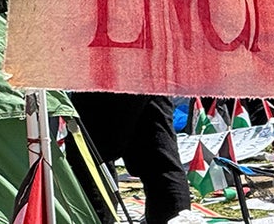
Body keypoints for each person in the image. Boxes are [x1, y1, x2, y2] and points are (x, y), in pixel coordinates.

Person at [71, 92, 192, 224]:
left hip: (106, 80)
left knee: (90, 159)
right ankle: (177, 216)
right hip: (151, 78)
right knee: (160, 163)